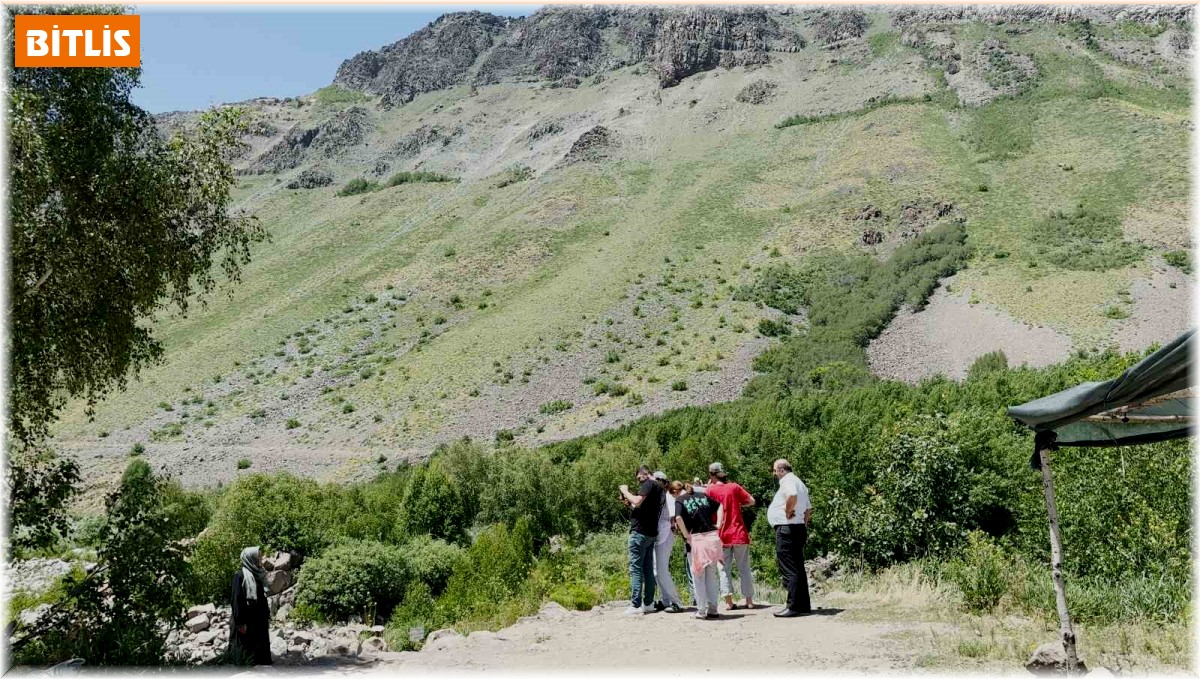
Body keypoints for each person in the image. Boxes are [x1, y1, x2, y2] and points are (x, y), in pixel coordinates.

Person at [702, 462, 756, 611]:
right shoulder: (734, 487)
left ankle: (728, 601)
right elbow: (752, 501)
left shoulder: (710, 491)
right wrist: (738, 505)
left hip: (721, 534)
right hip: (739, 532)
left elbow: (705, 510)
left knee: (724, 569)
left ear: (712, 475)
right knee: (744, 567)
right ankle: (749, 600)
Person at [670, 481, 724, 620]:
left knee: (698, 577)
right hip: (712, 538)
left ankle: (701, 610)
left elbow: (678, 518)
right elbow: (720, 505)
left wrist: (686, 534)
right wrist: (718, 523)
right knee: (711, 576)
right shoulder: (702, 495)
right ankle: (713, 609)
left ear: (675, 492)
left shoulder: (680, 500)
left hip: (697, 540)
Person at [768, 459, 812, 618]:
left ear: (781, 470)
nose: (774, 474)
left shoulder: (788, 481)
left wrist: (788, 511)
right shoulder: (800, 482)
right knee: (798, 567)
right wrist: (802, 522)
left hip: (787, 528)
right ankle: (803, 605)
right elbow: (808, 509)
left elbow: (791, 495)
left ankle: (793, 606)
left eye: (774, 470)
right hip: (798, 527)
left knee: (789, 568)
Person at [619, 465, 662, 615]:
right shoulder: (658, 487)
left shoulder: (649, 483)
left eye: (639, 477)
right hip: (650, 534)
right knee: (648, 569)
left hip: (640, 533)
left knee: (636, 569)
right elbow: (639, 505)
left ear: (646, 474)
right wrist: (627, 501)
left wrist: (625, 490)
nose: (638, 481)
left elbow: (637, 501)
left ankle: (635, 604)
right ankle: (648, 603)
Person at [230, 546, 272, 665]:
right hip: (247, 622)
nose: (261, 559)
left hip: (259, 621)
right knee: (247, 653)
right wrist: (240, 623)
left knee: (261, 653)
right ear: (250, 559)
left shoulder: (258, 575)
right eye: (258, 557)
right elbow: (236, 600)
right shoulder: (240, 576)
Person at [650, 471, 685, 613]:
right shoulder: (656, 497)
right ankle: (665, 601)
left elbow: (673, 517)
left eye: (659, 480)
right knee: (656, 572)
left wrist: (674, 528)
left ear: (664, 482)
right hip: (658, 535)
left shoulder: (668, 496)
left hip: (665, 535)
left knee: (662, 571)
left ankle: (677, 602)